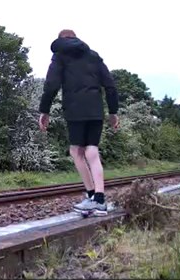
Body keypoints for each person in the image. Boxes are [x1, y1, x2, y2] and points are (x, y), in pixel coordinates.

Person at [38, 29, 120, 216]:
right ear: (75, 37)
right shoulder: (93, 55)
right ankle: (99, 200)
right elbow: (110, 85)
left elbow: (51, 84)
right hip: (96, 110)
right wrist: (113, 111)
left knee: (76, 151)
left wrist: (45, 110)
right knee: (92, 149)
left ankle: (92, 195)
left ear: (61, 40)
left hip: (75, 109)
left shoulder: (60, 56)